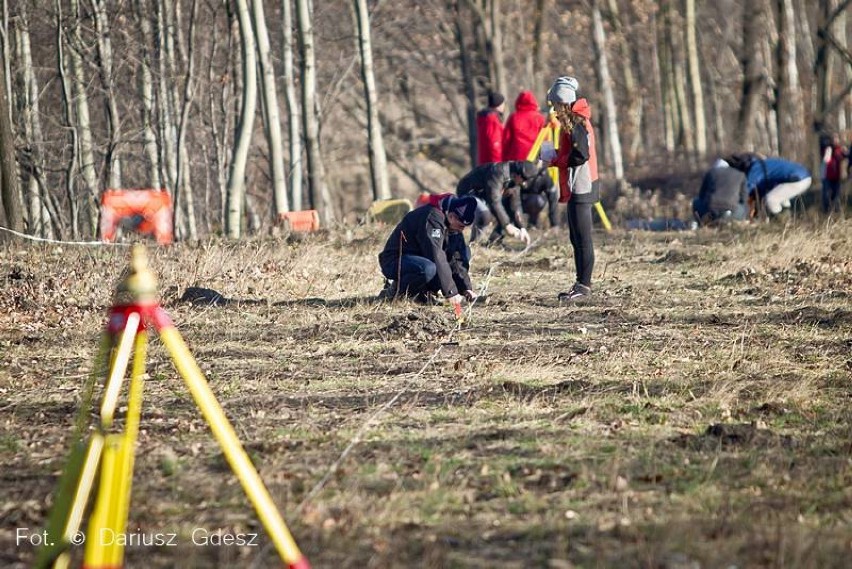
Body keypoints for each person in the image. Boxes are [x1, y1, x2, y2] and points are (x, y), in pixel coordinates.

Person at [544, 76, 599, 302]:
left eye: (556, 106)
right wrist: (557, 154)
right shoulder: (574, 122)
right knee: (575, 237)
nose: (555, 111)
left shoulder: (577, 123)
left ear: (564, 103)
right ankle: (580, 283)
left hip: (582, 185)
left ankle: (583, 286)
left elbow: (581, 155)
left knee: (582, 237)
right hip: (578, 185)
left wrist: (558, 160)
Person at [378, 194, 479, 306]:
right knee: (428, 268)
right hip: (396, 260)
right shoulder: (432, 217)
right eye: (460, 226)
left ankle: (424, 293)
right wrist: (451, 293)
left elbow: (456, 258)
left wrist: (465, 288)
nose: (462, 230)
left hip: (422, 258)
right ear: (451, 217)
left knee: (465, 252)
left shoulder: (453, 224)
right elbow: (435, 255)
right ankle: (396, 292)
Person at [455, 160, 538, 245]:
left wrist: (522, 228)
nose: (524, 184)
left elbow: (515, 205)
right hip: (468, 193)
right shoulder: (497, 172)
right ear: (519, 175)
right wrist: (507, 225)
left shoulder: (514, 179)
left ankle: (494, 242)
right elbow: (494, 201)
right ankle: (473, 245)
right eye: (525, 180)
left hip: (484, 196)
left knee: (508, 211)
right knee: (485, 215)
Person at [740, 156, 812, 218]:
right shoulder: (768, 163)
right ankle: (788, 219)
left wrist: (744, 206)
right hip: (806, 177)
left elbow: (748, 189)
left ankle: (782, 222)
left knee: (771, 199)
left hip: (797, 178)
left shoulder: (755, 167)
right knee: (781, 198)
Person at [692, 158, 749, 225]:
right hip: (732, 211)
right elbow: (744, 198)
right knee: (744, 206)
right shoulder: (740, 175)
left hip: (711, 210)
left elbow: (701, 195)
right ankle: (732, 220)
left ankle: (701, 222)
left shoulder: (710, 173)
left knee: (696, 201)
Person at [502, 90, 546, 162]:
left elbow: (506, 140)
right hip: (534, 156)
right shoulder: (540, 118)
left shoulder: (513, 117)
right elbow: (545, 138)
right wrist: (547, 159)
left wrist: (505, 158)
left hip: (516, 157)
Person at [476, 91, 505, 165]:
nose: (504, 106)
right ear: (498, 105)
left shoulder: (484, 119)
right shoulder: (492, 120)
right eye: (503, 103)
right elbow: (494, 144)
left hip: (485, 162)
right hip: (493, 164)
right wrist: (499, 164)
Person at [820, 132, 846, 214]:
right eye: (833, 139)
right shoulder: (828, 149)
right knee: (826, 196)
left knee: (836, 196)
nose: (835, 140)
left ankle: (836, 212)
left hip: (836, 177)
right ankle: (826, 212)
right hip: (827, 177)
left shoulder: (840, 149)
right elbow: (826, 159)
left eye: (836, 139)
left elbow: (845, 156)